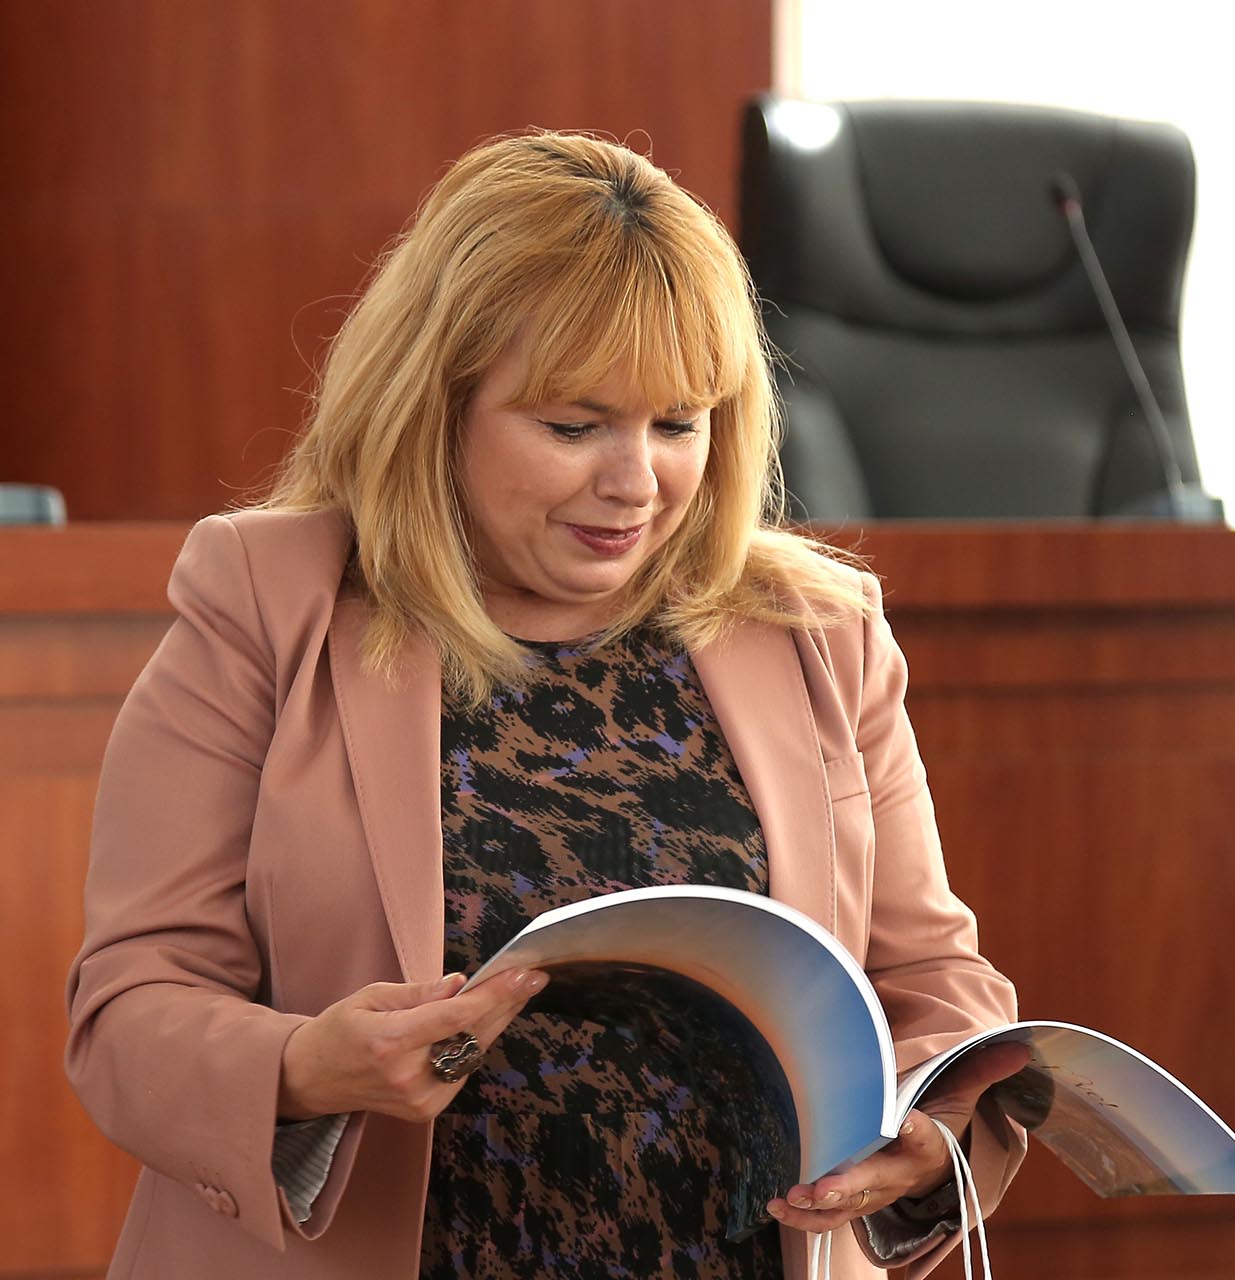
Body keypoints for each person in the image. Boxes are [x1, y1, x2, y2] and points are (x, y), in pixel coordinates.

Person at [64, 131, 1029, 1280]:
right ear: (437, 403)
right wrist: (309, 1065)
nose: (637, 482)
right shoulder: (271, 603)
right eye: (575, 425)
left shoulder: (817, 629)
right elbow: (128, 1008)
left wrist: (932, 1123)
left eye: (679, 422)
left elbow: (932, 979)